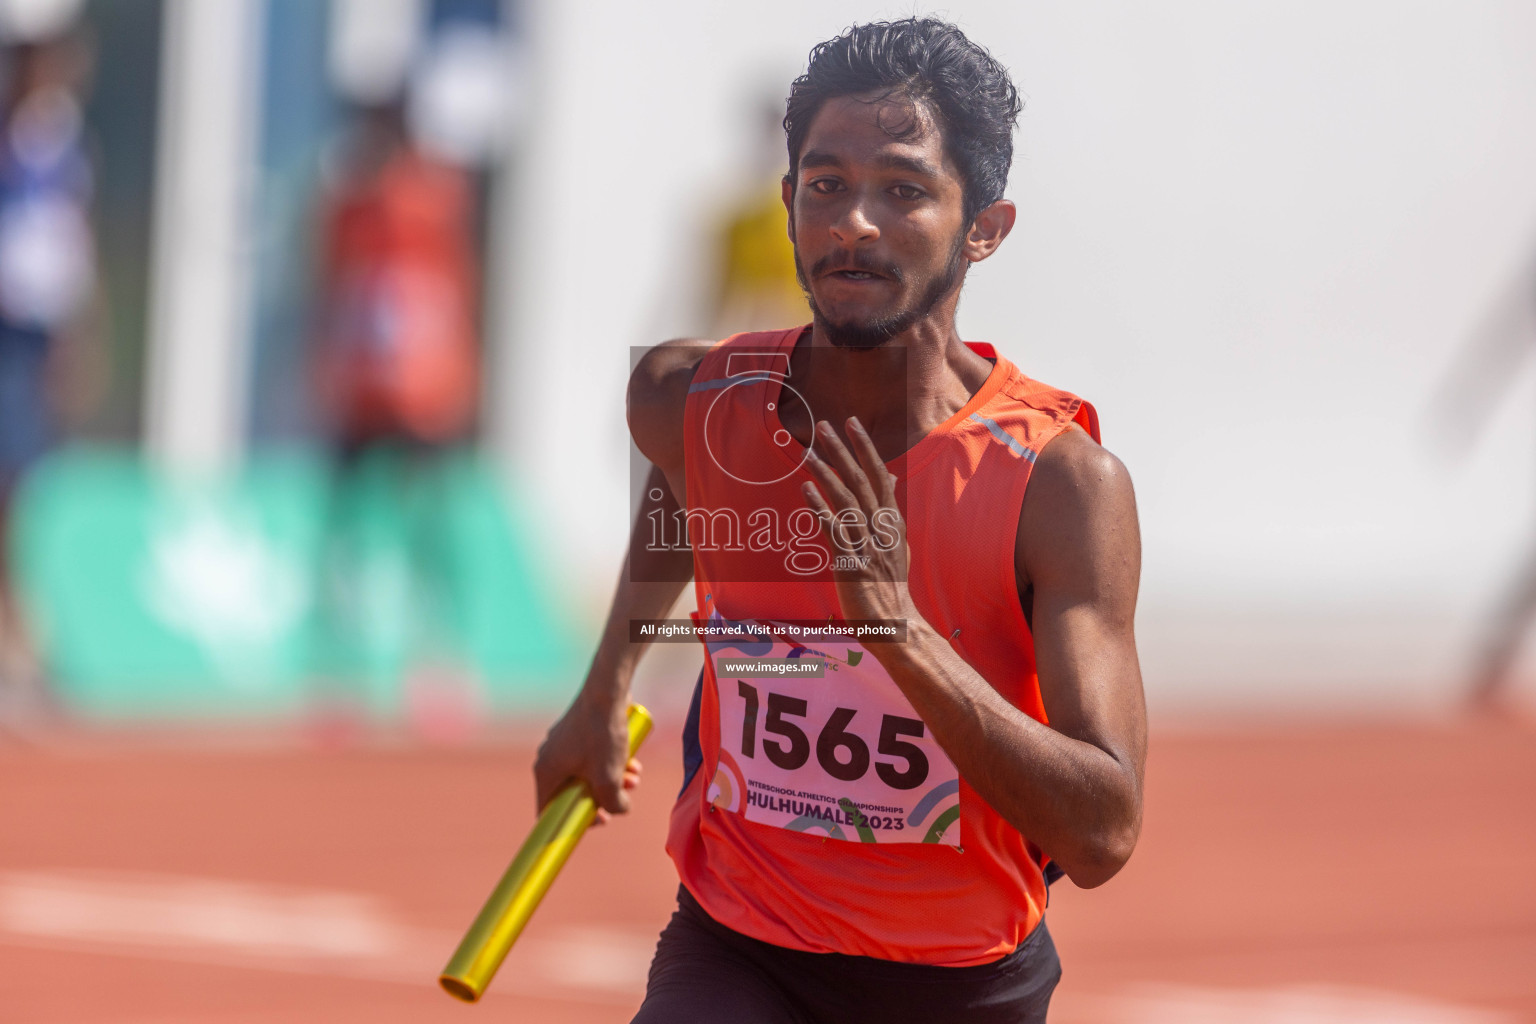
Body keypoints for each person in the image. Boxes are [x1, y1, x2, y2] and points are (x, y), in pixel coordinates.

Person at [534, 18, 1146, 1022]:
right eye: (825, 184)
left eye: (903, 189)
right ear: (787, 204)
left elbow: (1105, 832)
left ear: (984, 226)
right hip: (738, 941)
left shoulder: (1061, 485)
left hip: (958, 982)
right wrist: (604, 686)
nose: (853, 221)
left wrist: (896, 631)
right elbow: (685, 489)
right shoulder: (686, 395)